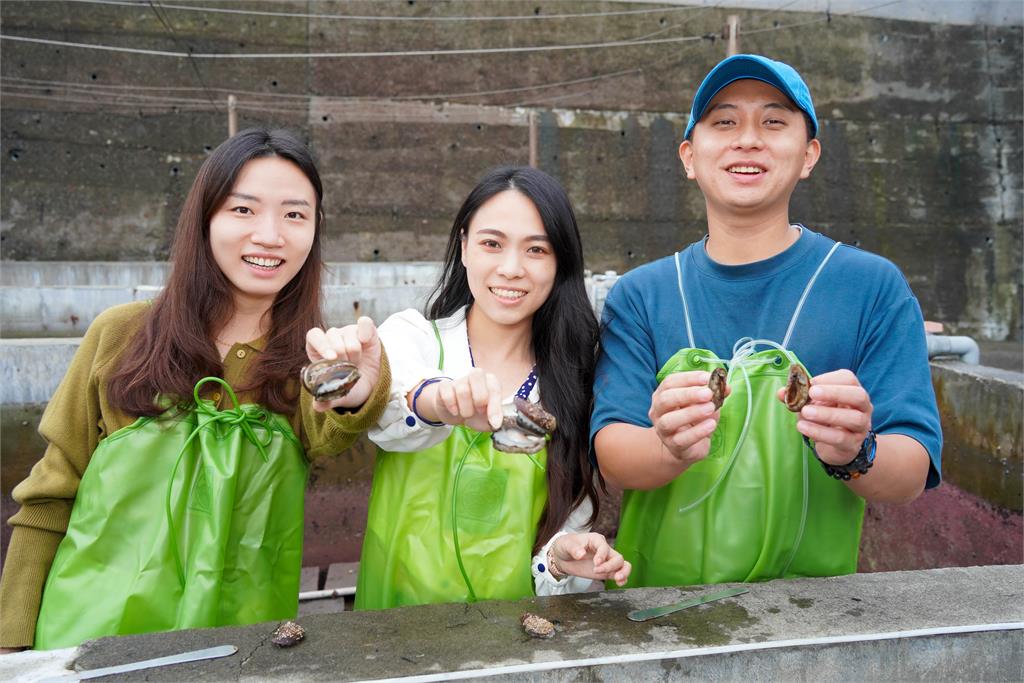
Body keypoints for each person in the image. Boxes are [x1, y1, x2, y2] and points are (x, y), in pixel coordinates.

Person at [0, 129, 390, 651]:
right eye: (243, 210)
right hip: (88, 637)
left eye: (295, 215)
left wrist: (357, 390)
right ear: (204, 219)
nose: (270, 235)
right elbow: (49, 497)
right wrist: (12, 645)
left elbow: (333, 427)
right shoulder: (119, 334)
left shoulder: (312, 359)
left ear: (315, 231)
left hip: (237, 646)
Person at [591, 55, 943, 588]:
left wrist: (856, 450)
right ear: (689, 156)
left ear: (809, 155)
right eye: (724, 122)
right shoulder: (642, 294)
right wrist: (668, 445)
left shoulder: (872, 287)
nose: (748, 140)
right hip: (659, 609)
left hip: (811, 610)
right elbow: (614, 454)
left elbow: (911, 469)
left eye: (774, 122)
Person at [343, 166, 630, 609]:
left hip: (513, 636)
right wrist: (441, 401)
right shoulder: (413, 338)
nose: (511, 269)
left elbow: (558, 545)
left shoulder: (575, 384)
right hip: (394, 623)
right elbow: (393, 401)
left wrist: (559, 559)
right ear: (463, 247)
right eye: (492, 244)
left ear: (560, 264)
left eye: (536, 249)